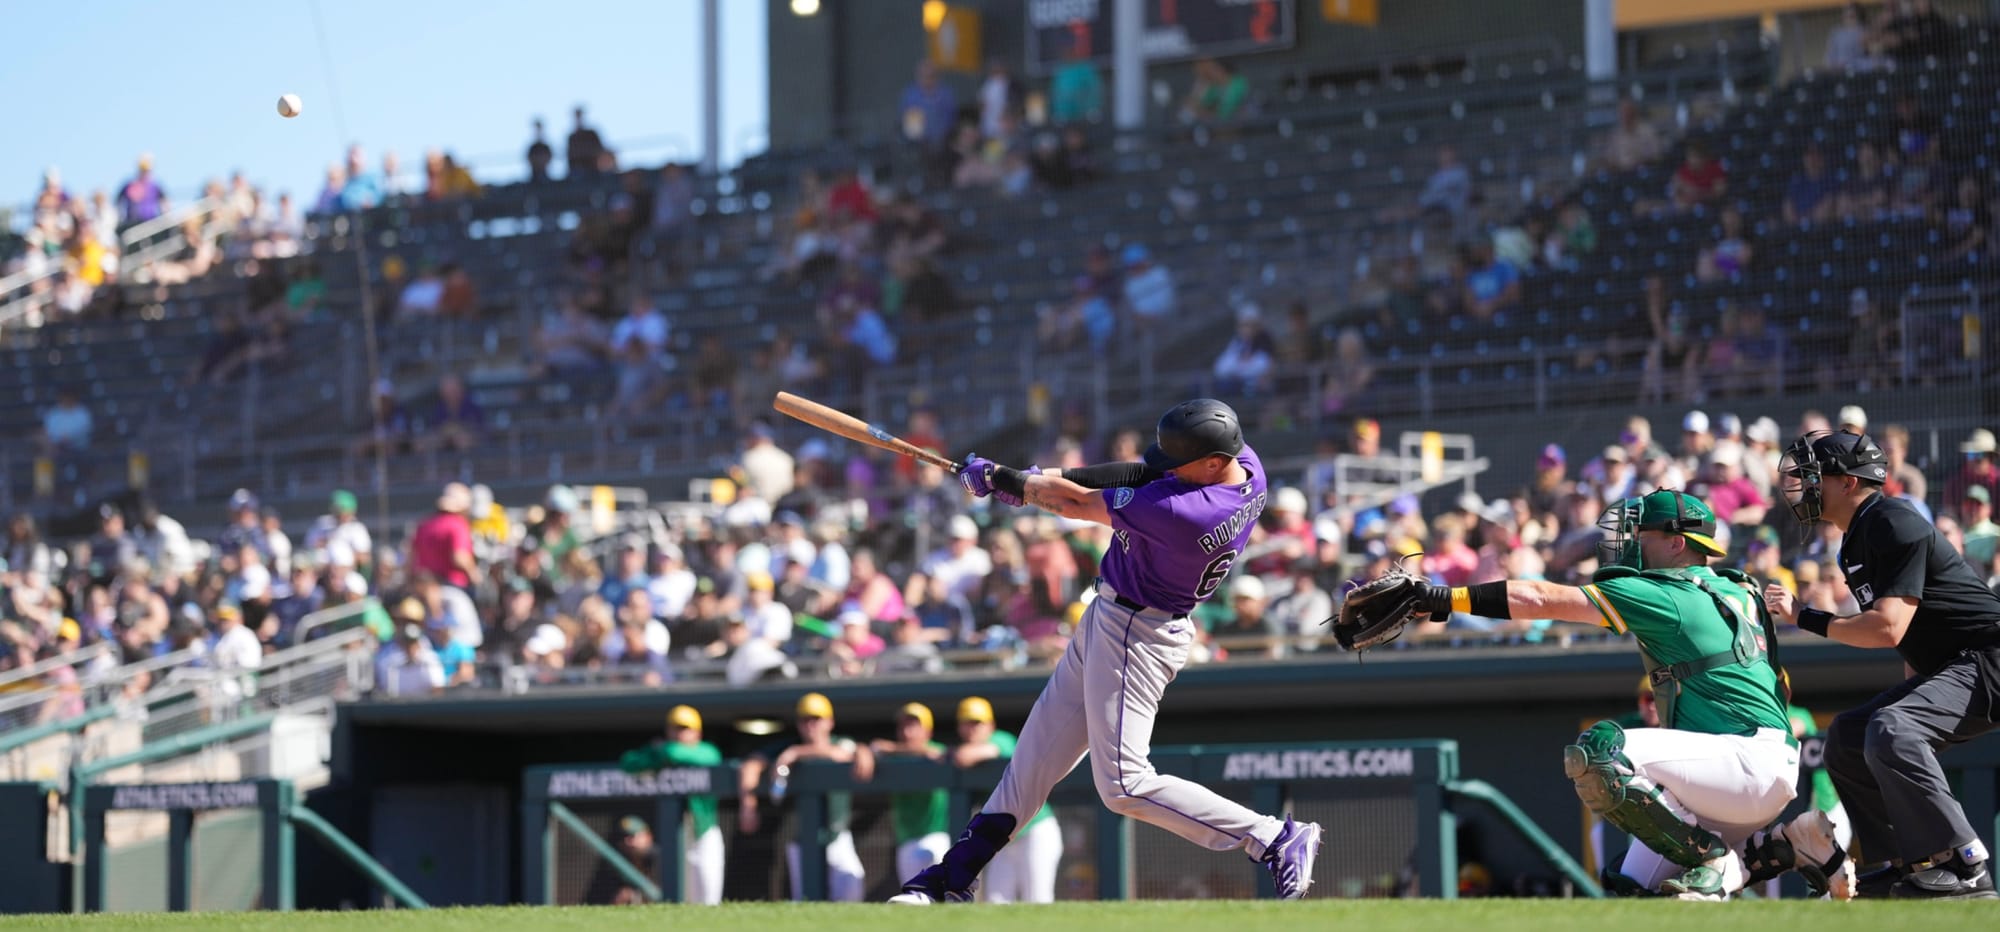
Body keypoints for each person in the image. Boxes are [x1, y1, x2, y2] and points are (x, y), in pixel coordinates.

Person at [892, 399, 1323, 904]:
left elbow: (1075, 505)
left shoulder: (1184, 513)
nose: (1167, 468)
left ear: (1210, 461)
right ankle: (952, 878)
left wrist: (1007, 482)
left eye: (1179, 462)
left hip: (1138, 631)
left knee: (1124, 784)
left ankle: (1272, 836)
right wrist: (1034, 475)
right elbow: (1140, 471)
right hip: (1116, 618)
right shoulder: (1243, 464)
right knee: (1029, 767)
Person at [1346, 489, 1849, 900]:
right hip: (1761, 765)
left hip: (1741, 765)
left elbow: (1543, 599)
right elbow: (1780, 685)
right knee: (1634, 894)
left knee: (1599, 753)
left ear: (1677, 544)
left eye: (1642, 534)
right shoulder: (1743, 589)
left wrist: (1440, 596)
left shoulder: (1667, 591)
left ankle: (1712, 856)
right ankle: (1781, 846)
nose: (1629, 544)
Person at [1762, 429, 2000, 899]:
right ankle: (1908, 864)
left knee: (1893, 727)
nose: (1805, 486)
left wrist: (1804, 616)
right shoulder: (1855, 539)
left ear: (1848, 482)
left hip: (1990, 660)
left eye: (1815, 476)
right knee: (1849, 738)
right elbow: (1910, 641)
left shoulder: (1892, 520)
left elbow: (1887, 627)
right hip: (1955, 666)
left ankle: (1966, 864)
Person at [737, 692, 871, 902]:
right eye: (805, 720)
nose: (811, 725)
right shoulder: (787, 745)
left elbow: (844, 754)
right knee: (807, 900)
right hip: (802, 838)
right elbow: (750, 765)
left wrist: (797, 754)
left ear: (829, 722)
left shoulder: (838, 743)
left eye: (816, 719)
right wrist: (748, 804)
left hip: (838, 835)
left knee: (851, 889)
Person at [948, 696, 1060, 903]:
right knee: (996, 901)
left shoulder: (1002, 740)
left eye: (977, 723)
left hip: (1035, 830)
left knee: (1037, 899)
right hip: (1004, 841)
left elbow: (965, 756)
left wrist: (949, 753)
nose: (972, 728)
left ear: (990, 725)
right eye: (967, 723)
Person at [617, 705, 724, 904]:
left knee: (709, 897)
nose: (679, 733)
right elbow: (628, 762)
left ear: (697, 732)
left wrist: (663, 751)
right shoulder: (661, 752)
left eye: (685, 728)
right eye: (675, 728)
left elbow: (704, 757)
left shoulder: (705, 750)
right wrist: (660, 753)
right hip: (677, 835)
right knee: (682, 899)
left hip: (704, 831)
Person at [870, 703, 952, 886]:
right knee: (913, 897)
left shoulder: (932, 750)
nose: (908, 732)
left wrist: (891, 748)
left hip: (936, 836)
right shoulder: (893, 757)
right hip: (906, 839)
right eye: (904, 726)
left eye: (914, 725)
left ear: (928, 731)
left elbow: (939, 753)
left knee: (941, 892)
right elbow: (873, 748)